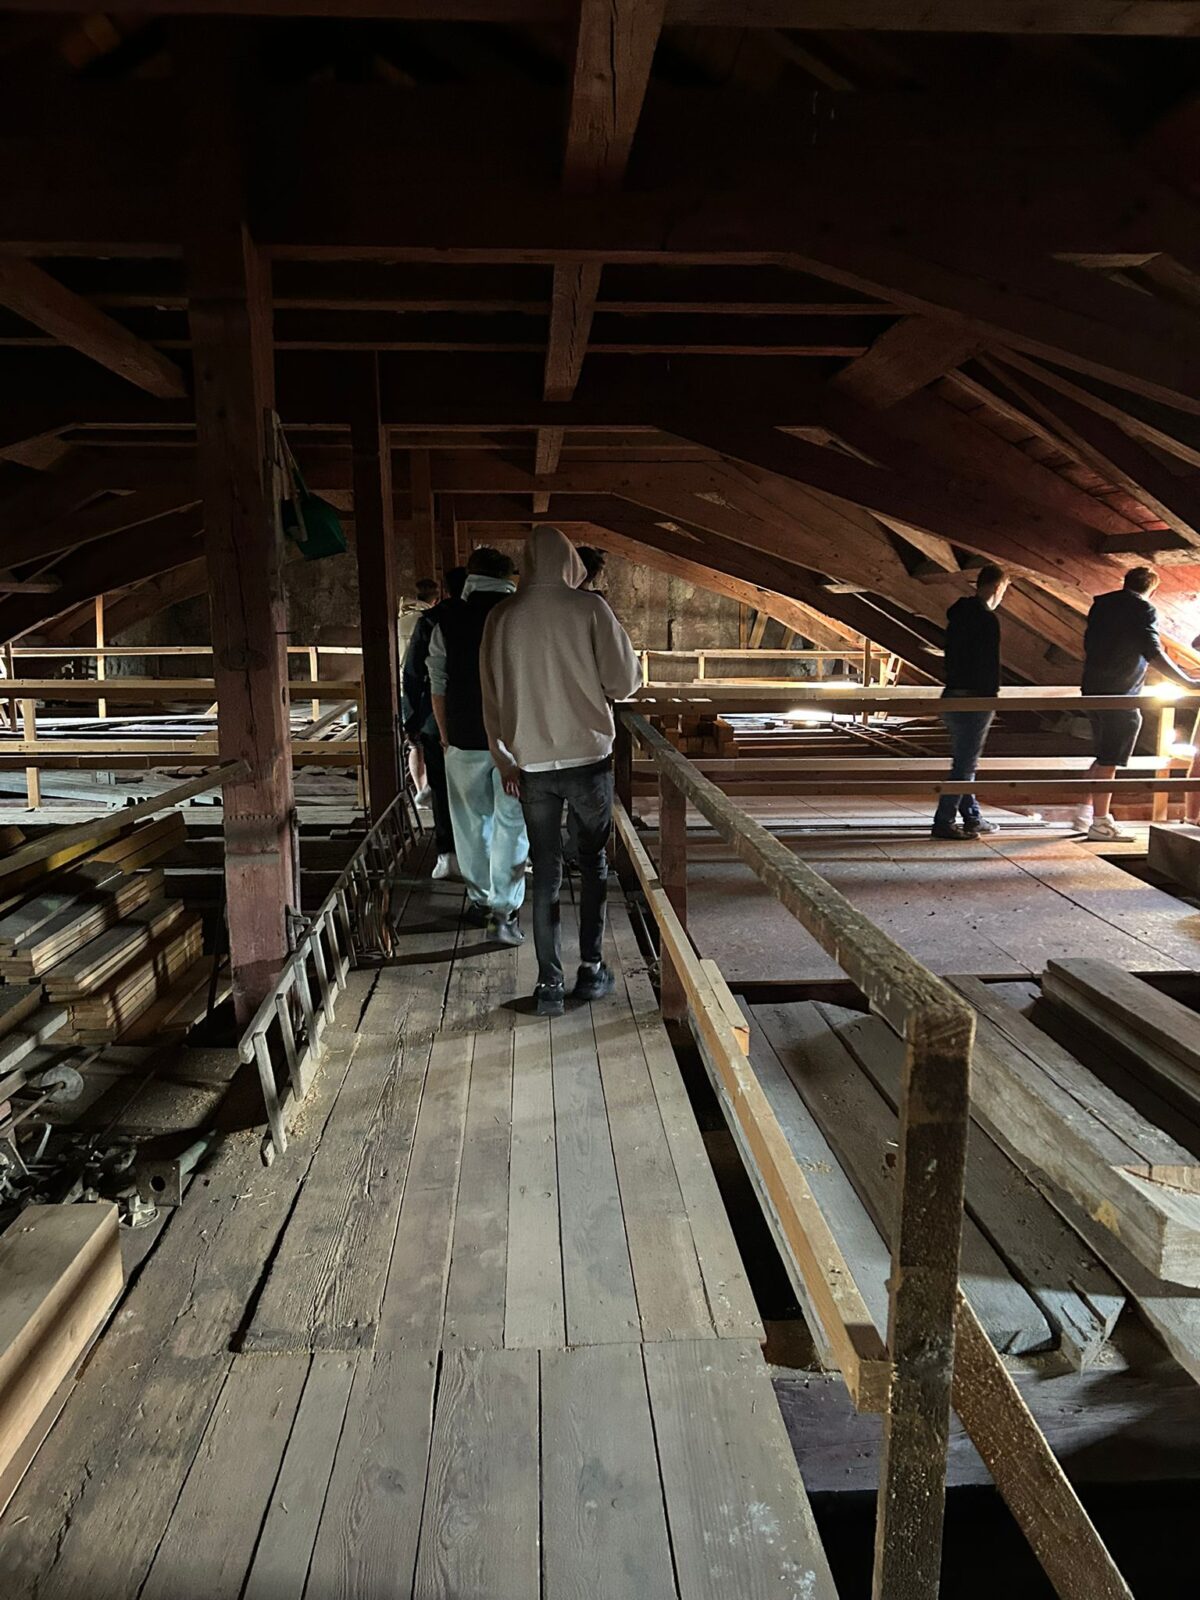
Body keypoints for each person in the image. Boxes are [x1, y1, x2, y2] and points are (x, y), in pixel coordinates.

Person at [481, 525, 642, 1016]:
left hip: (531, 766)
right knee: (592, 866)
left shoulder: (502, 616)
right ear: (570, 561)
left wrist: (503, 757)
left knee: (545, 873)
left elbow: (490, 697)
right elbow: (623, 683)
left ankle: (548, 985)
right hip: (589, 761)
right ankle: (591, 970)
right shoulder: (590, 609)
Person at [428, 548, 528, 942]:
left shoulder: (446, 619)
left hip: (465, 735)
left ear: (470, 576)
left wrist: (445, 733)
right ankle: (505, 911)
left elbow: (438, 683)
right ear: (509, 577)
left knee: (471, 825)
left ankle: (482, 901)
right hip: (518, 739)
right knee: (512, 826)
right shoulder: (522, 617)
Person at [1077, 566, 1200, 843]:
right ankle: (1099, 822)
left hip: (1093, 687)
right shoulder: (1143, 609)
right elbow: (1152, 651)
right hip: (1121, 691)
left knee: (1102, 754)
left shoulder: (1101, 606)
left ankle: (1085, 814)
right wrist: (1186, 682)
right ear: (1151, 589)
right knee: (1111, 758)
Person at [931, 564, 1010, 840]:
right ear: (998, 587)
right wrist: (992, 697)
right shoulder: (987, 620)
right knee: (964, 766)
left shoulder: (958, 616)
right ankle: (943, 821)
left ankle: (973, 818)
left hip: (952, 695)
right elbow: (987, 665)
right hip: (975, 698)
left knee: (964, 761)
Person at [402, 565, 467, 880]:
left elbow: (413, 672)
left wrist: (411, 716)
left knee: (440, 786)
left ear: (445, 590)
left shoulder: (430, 620)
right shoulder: (490, 618)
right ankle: (479, 852)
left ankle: (447, 854)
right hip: (480, 715)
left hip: (433, 713)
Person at [399, 577, 442, 802]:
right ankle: (432, 791)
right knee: (433, 741)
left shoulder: (400, 619)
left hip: (401, 685)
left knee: (414, 743)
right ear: (436, 598)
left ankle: (419, 788)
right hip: (428, 688)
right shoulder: (430, 621)